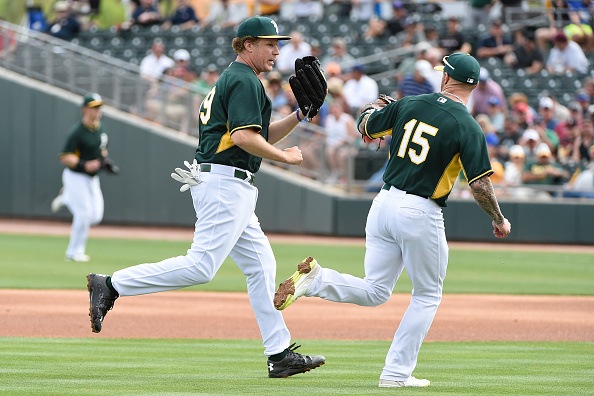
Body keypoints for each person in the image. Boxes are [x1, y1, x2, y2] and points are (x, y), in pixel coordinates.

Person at [86, 15, 325, 379]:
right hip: (225, 184)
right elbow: (246, 140)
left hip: (230, 183)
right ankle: (112, 284)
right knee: (201, 266)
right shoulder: (244, 80)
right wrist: (287, 157)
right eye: (269, 43)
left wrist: (298, 115)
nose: (277, 50)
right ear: (247, 44)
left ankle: (279, 354)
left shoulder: (238, 77)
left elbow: (254, 135)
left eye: (278, 43)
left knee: (261, 268)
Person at [273, 52, 511, 388]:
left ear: (445, 78)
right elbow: (481, 184)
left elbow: (364, 126)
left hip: (383, 203)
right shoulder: (467, 125)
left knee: (375, 290)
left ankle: (317, 280)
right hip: (420, 211)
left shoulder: (410, 104)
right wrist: (499, 219)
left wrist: (372, 107)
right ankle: (396, 373)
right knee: (427, 295)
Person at [51, 93, 112, 262]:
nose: (98, 110)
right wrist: (84, 164)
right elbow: (64, 156)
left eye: (99, 107)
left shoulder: (101, 128)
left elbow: (102, 149)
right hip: (75, 176)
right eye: (94, 107)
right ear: (85, 109)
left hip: (92, 178)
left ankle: (67, 198)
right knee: (83, 214)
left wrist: (104, 160)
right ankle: (73, 252)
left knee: (96, 216)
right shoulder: (77, 132)